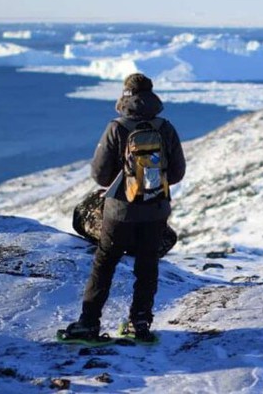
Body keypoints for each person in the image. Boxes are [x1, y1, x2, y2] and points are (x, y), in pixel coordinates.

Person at [64, 73, 186, 342]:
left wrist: (125, 183)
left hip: (119, 211)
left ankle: (88, 324)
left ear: (125, 96)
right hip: (155, 210)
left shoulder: (117, 127)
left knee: (104, 264)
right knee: (147, 266)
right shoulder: (165, 128)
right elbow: (177, 172)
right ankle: (140, 324)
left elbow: (100, 174)